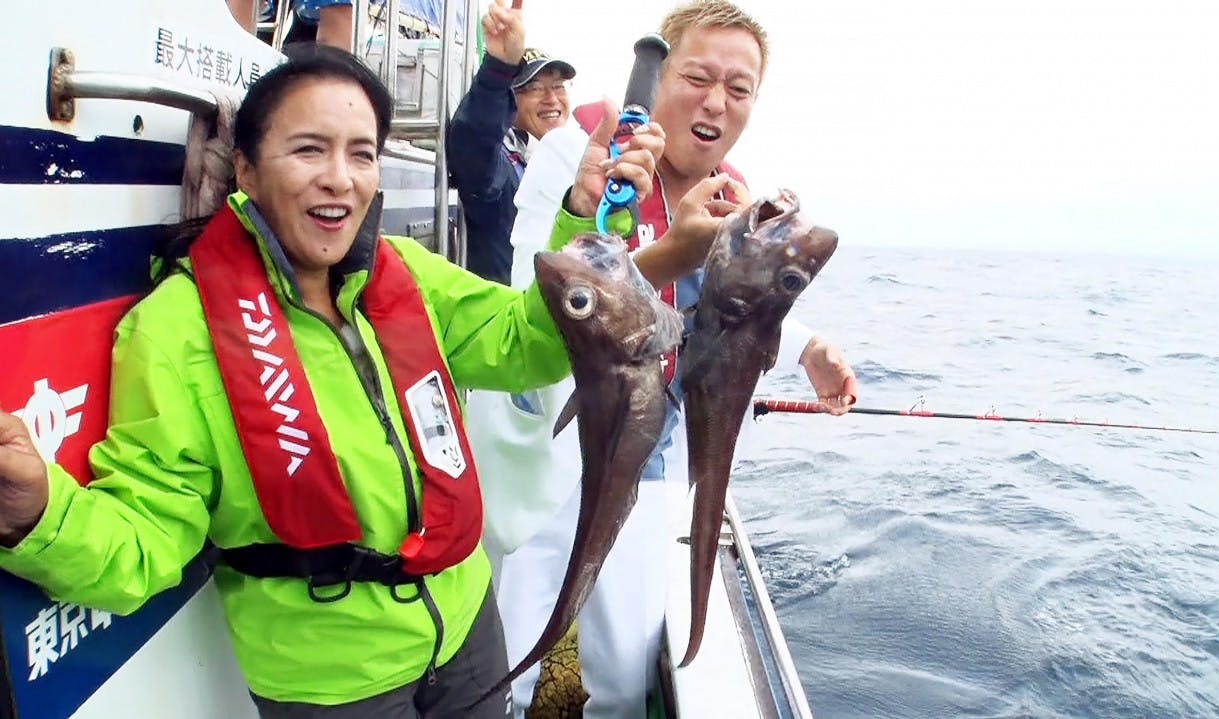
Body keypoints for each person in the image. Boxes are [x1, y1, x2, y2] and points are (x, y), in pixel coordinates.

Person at [0, 44, 692, 719]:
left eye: (362, 153)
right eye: (308, 150)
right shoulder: (176, 329)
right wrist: (38, 512)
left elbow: (523, 344)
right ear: (245, 168)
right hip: (331, 681)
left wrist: (581, 212)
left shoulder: (407, 271)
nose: (340, 177)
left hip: (465, 617)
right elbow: (147, 536)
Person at [477, 2, 860, 718]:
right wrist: (661, 248)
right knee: (511, 651)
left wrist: (807, 345)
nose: (717, 102)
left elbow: (730, 301)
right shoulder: (582, 152)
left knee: (623, 671)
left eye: (739, 89)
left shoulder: (737, 200)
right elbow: (545, 290)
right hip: (555, 429)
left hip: (649, 440)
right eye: (698, 76)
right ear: (659, 77)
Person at [447, 0, 576, 284]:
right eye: (534, 88)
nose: (551, 98)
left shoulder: (580, 159)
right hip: (514, 320)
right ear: (510, 101)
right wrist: (498, 69)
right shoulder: (504, 168)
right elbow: (473, 139)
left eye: (557, 86)